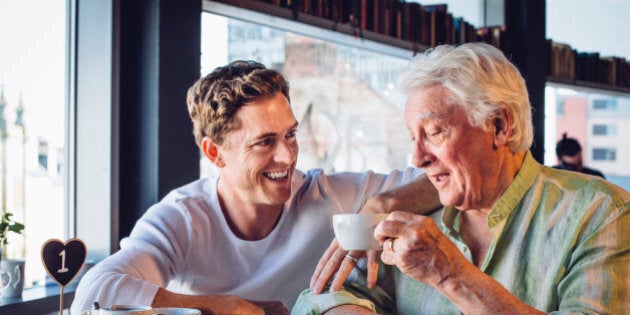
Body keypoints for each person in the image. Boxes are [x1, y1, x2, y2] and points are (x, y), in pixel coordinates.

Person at [70, 61, 442, 314]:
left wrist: (382, 202)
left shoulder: (333, 197)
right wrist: (225, 307)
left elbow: (446, 178)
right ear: (215, 152)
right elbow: (94, 292)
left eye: (290, 135)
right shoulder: (182, 217)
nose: (287, 156)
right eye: (264, 142)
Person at [296, 43, 630, 314]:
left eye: (435, 132)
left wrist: (450, 274)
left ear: (499, 126)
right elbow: (319, 296)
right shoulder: (416, 218)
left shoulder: (602, 212)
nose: (417, 158)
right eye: (413, 137)